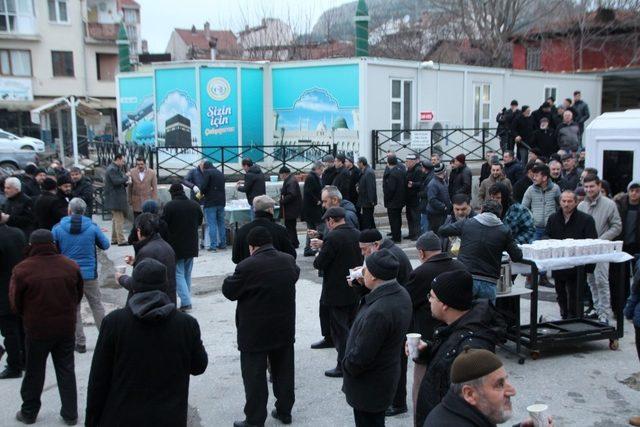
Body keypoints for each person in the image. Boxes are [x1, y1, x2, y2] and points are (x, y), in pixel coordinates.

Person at [86, 259, 208, 427]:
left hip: (122, 415)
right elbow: (199, 366)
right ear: (165, 286)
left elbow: (99, 378)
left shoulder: (114, 322)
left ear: (134, 286)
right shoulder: (186, 324)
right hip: (169, 417)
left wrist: (92, 420)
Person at [222, 227, 299, 427]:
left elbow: (230, 291)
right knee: (284, 371)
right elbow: (294, 276)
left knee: (254, 376)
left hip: (254, 331)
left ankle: (255, 419)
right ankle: (285, 411)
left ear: (252, 247)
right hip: (283, 327)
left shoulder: (246, 266)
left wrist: (228, 279)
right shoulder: (288, 261)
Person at [10, 229, 83, 425]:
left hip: (37, 329)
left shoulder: (22, 270)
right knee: (66, 369)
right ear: (53, 243)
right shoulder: (70, 266)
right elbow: (78, 295)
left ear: (31, 245)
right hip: (66, 327)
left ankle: (29, 413)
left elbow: (15, 303)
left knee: (34, 371)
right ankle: (70, 414)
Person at [414, 270, 505, 426]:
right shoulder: (454, 328)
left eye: (432, 296)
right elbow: (444, 362)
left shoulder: (471, 347)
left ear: (444, 304)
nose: (429, 300)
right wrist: (426, 350)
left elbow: (472, 404)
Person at [342, 249, 412, 427]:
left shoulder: (379, 312)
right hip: (384, 378)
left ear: (373, 276)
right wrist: (361, 286)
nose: (361, 272)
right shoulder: (400, 293)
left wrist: (346, 365)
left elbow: (361, 356)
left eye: (364, 270)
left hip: (369, 385)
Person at [405, 232, 466, 417]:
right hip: (457, 335)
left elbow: (409, 302)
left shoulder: (420, 273)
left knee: (422, 385)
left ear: (421, 253)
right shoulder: (460, 266)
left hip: (427, 338)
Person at [358, 229, 413, 417]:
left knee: (396, 359)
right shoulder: (388, 252)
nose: (364, 254)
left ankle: (397, 402)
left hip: (397, 314)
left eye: (365, 250)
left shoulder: (390, 256)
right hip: (399, 311)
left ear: (376, 245)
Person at [425, 349, 553, 427]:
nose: (512, 391)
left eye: (506, 380)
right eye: (499, 384)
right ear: (469, 394)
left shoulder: (456, 412)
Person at [52, 198, 109, 354]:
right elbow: (105, 244)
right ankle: (106, 338)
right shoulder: (92, 227)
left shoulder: (57, 229)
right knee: (96, 305)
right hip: (90, 274)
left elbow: (53, 250)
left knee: (74, 308)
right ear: (84, 211)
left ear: (69, 210)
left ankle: (80, 342)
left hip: (68, 274)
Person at [439, 200, 523, 302]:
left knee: (464, 315)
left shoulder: (467, 224)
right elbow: (517, 256)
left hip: (466, 278)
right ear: (500, 213)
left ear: (482, 209)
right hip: (489, 283)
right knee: (485, 315)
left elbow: (442, 230)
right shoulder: (504, 231)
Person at [312, 207, 362, 378]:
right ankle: (354, 360)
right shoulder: (356, 233)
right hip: (354, 287)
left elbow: (320, 263)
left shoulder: (332, 237)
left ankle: (343, 365)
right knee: (352, 326)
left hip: (336, 290)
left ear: (331, 221)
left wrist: (319, 251)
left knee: (340, 331)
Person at [543, 190, 598, 319]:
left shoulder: (586, 219)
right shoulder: (553, 218)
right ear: (559, 202)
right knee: (560, 293)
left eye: (569, 201)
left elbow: (592, 242)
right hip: (559, 263)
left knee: (575, 294)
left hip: (577, 266)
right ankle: (564, 315)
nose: (566, 204)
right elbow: (546, 234)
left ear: (576, 202)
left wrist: (590, 267)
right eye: (564, 201)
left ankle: (575, 319)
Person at [578, 174, 622, 323]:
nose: (589, 189)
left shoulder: (609, 204)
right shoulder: (582, 205)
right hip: (587, 250)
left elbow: (617, 226)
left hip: (602, 250)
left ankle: (604, 314)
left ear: (599, 186)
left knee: (602, 281)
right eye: (586, 187)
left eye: (592, 186)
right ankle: (597, 309)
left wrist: (600, 240)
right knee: (591, 281)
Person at [118, 213, 177, 305]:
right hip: (167, 300)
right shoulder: (166, 246)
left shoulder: (146, 251)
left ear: (138, 230)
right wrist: (135, 262)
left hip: (151, 305)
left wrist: (121, 278)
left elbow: (138, 284)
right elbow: (155, 270)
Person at [162, 183, 203, 311]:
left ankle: (186, 302)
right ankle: (187, 298)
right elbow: (200, 222)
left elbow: (163, 224)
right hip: (191, 244)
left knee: (178, 273)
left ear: (172, 193)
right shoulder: (194, 205)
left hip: (176, 245)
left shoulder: (169, 206)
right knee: (187, 273)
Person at [232, 195, 296, 264]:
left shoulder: (241, 231)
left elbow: (236, 259)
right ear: (270, 210)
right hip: (276, 271)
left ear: (254, 210)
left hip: (249, 272)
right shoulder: (280, 230)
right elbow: (292, 255)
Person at [0, 220, 26, 379]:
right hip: (21, 286)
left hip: (3, 290)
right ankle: (24, 360)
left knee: (9, 330)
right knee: (21, 326)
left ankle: (14, 365)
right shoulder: (17, 233)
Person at [522, 163, 561, 241]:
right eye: (534, 175)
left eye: (536, 176)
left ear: (544, 178)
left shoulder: (555, 189)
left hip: (551, 228)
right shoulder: (530, 190)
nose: (534, 178)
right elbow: (523, 208)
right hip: (536, 229)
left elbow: (560, 207)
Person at [201, 161, 227, 252]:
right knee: (221, 224)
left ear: (205, 167)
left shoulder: (207, 172)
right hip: (221, 202)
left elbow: (204, 187)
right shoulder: (220, 173)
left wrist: (201, 193)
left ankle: (213, 246)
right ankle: (223, 244)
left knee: (212, 224)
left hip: (211, 202)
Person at [103, 154, 129, 246]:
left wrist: (125, 182)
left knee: (115, 219)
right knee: (119, 219)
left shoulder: (114, 168)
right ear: (118, 159)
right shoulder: (112, 169)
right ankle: (121, 240)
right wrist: (126, 177)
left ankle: (114, 239)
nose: (123, 163)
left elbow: (118, 181)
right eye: (123, 161)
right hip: (115, 198)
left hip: (115, 197)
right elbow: (116, 181)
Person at [383, 154, 406, 242]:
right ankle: (397, 235)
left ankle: (396, 237)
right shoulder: (400, 170)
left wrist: (387, 198)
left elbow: (391, 189)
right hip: (399, 200)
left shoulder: (392, 174)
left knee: (394, 220)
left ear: (388, 163)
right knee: (397, 219)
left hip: (393, 202)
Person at [302, 161, 324, 256]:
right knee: (319, 228)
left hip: (311, 210)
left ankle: (309, 248)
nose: (322, 172)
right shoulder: (311, 177)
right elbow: (308, 192)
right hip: (313, 209)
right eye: (321, 170)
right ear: (317, 168)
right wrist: (317, 200)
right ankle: (311, 248)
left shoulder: (313, 177)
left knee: (311, 229)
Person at [279, 166, 302, 249]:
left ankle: (293, 243)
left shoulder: (291, 181)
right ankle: (295, 242)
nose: (280, 177)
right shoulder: (290, 180)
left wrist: (282, 201)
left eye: (280, 175)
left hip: (291, 209)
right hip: (292, 208)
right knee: (291, 226)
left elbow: (291, 194)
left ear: (284, 174)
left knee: (290, 226)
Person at [616, 181, 640, 257]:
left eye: (637, 191)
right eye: (632, 191)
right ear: (628, 191)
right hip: (622, 240)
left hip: (637, 242)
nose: (634, 193)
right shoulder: (620, 204)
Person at [405, 154, 426, 240]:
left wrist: (413, 184)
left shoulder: (418, 170)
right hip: (409, 198)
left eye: (408, 161)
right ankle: (411, 233)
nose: (406, 163)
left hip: (415, 198)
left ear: (413, 161)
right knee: (409, 216)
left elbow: (422, 183)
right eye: (406, 161)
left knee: (415, 217)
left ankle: (417, 235)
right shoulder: (409, 170)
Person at [426, 163, 450, 233]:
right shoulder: (433, 184)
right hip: (435, 214)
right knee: (435, 232)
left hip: (441, 213)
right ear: (443, 172)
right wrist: (443, 207)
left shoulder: (443, 181)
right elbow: (432, 200)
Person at [357, 157, 377, 230]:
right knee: (369, 218)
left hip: (368, 201)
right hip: (364, 199)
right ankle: (373, 232)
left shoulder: (369, 172)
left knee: (367, 218)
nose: (357, 164)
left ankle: (368, 233)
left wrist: (371, 200)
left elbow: (371, 187)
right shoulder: (364, 171)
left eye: (358, 162)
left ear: (362, 163)